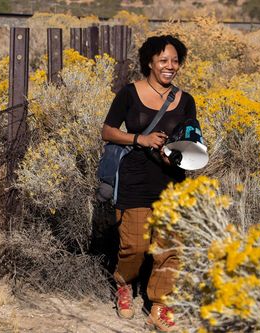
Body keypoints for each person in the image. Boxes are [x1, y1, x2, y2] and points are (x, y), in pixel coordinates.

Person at [101, 35, 196, 332]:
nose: (171, 66)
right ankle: (125, 284)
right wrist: (140, 138)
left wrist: (176, 155)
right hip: (134, 178)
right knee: (135, 246)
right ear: (150, 63)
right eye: (164, 60)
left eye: (175, 61)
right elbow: (107, 131)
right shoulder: (130, 94)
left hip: (172, 182)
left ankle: (159, 305)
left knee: (170, 248)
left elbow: (193, 139)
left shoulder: (186, 100)